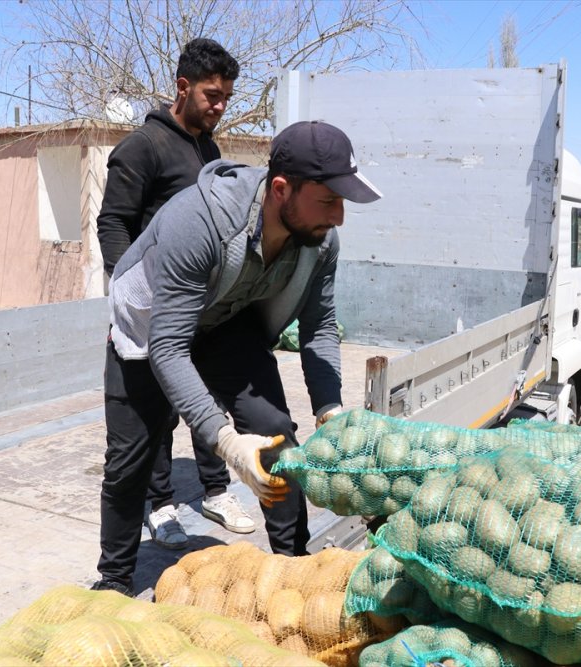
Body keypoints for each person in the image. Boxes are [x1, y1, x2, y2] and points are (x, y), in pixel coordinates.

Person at [91, 120, 382, 595]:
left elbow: (320, 325)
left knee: (276, 437)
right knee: (131, 459)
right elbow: (168, 345)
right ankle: (115, 580)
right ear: (282, 189)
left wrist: (330, 411)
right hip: (148, 326)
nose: (339, 216)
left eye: (343, 202)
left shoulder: (320, 240)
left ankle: (293, 566)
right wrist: (225, 442)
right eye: (328, 200)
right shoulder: (200, 220)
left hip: (226, 317)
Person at [95, 38, 255, 550]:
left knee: (204, 399)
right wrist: (130, 301)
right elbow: (113, 222)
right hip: (151, 308)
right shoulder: (142, 147)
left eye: (227, 95)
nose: (220, 105)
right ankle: (159, 505)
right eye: (212, 94)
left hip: (197, 308)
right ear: (182, 87)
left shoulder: (208, 148)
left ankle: (216, 490)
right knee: (154, 416)